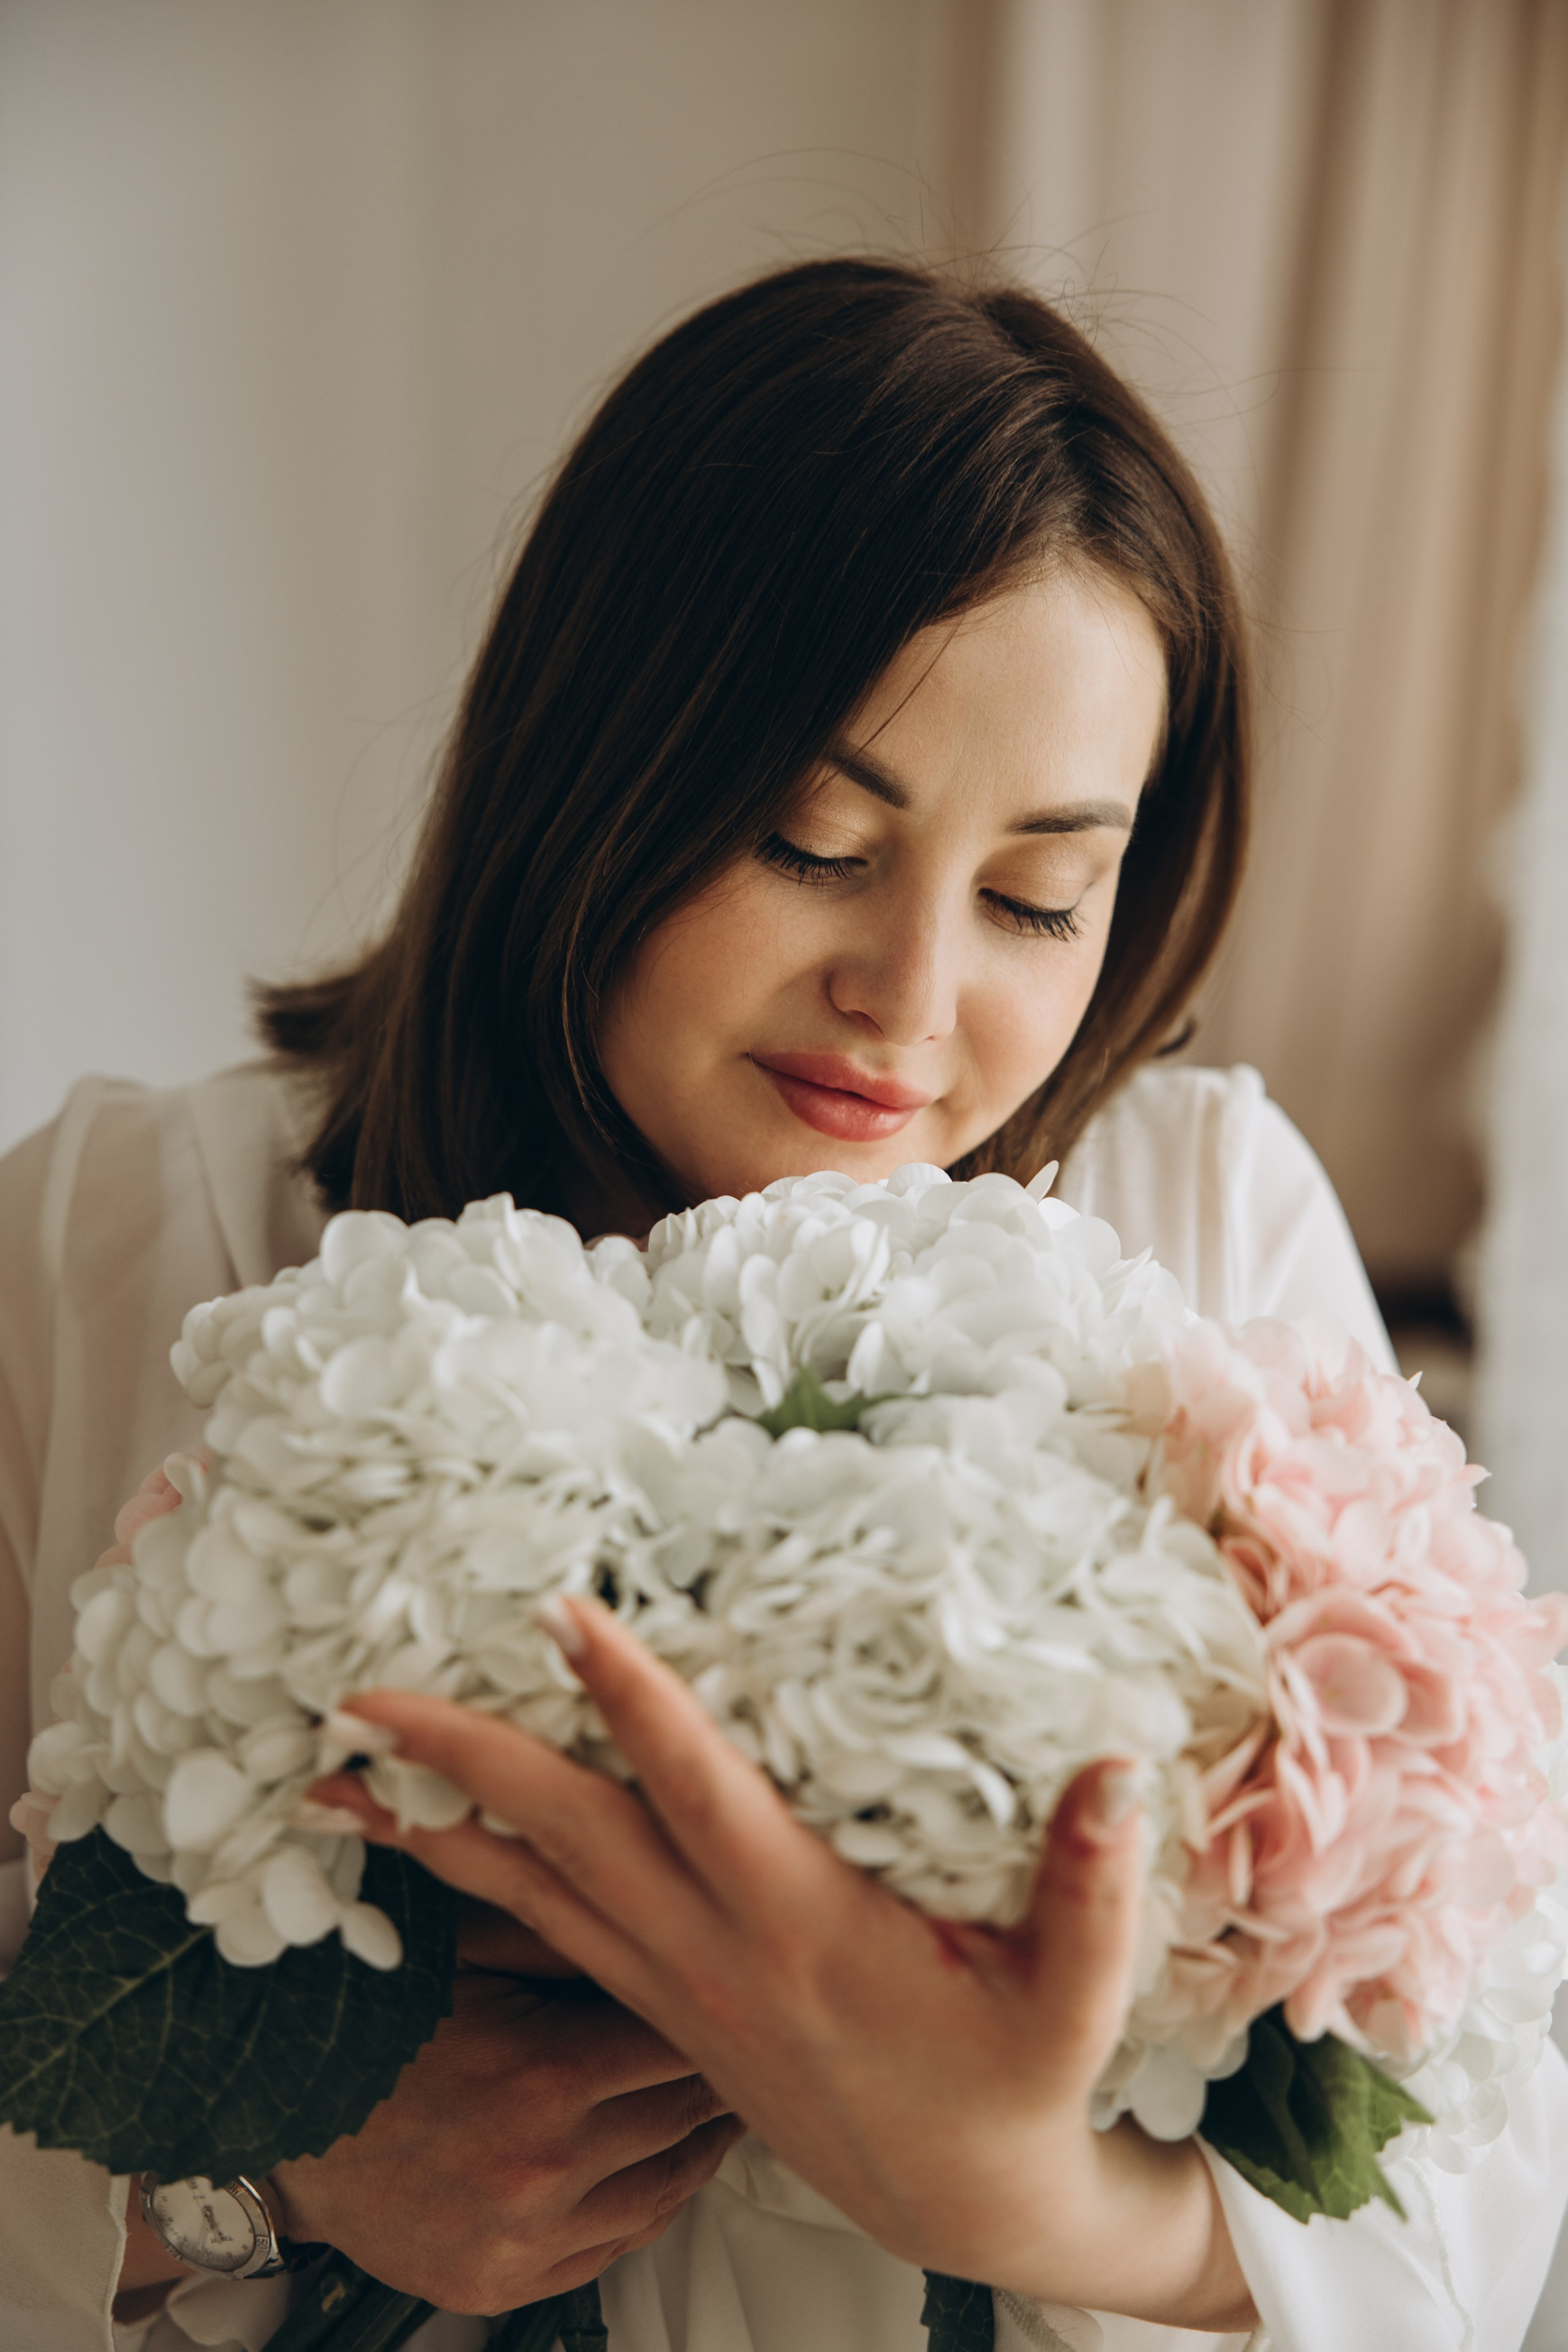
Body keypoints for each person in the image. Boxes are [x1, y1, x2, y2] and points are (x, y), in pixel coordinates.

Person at [0, 258, 1563, 2352]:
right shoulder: (107, 1238)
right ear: (592, 765)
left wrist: (1031, 2195)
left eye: (1036, 897)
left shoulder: (1204, 1224)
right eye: (812, 840)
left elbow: (1478, 2171)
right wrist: (247, 2173)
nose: (912, 1008)